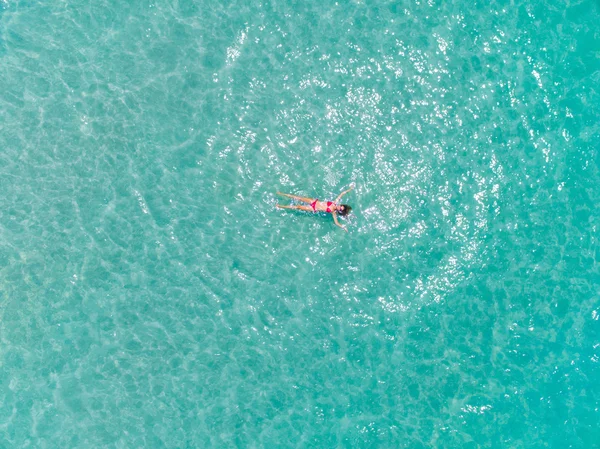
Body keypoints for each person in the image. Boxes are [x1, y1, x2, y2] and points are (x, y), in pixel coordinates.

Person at [276, 185, 354, 232]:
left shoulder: (333, 212)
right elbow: (342, 194)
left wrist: (343, 227)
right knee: (298, 198)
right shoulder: (334, 202)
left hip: (313, 208)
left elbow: (336, 222)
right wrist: (349, 189)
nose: (339, 206)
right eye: (341, 205)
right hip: (314, 201)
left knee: (298, 207)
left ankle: (280, 206)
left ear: (339, 211)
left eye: (340, 208)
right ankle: (281, 194)